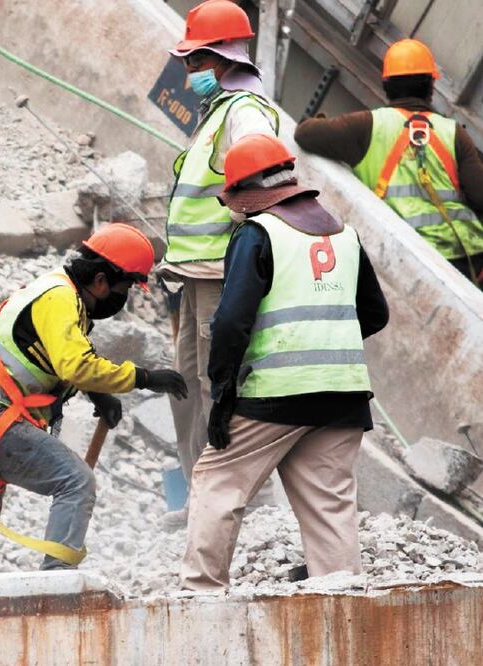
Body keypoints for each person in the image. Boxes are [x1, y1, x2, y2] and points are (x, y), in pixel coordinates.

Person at [180, 134, 389, 591]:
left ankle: (201, 594)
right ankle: (342, 601)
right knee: (328, 505)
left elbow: (232, 322)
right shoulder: (345, 234)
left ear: (249, 193)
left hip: (273, 396)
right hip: (344, 397)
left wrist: (222, 397)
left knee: (219, 481)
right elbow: (375, 314)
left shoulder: (258, 233)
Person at [0, 223, 189, 577]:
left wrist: (100, 394)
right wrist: (144, 377)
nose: (124, 295)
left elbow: (55, 358)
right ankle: (56, 583)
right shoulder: (60, 298)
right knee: (76, 481)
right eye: (125, 286)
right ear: (100, 280)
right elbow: (77, 365)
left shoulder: (53, 291)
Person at [160, 0, 281, 529]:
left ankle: (234, 502)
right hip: (193, 275)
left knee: (218, 387)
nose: (187, 73)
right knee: (187, 386)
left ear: (220, 57)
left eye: (193, 62)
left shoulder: (246, 113)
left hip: (220, 274)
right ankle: (200, 496)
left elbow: (262, 188)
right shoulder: (220, 111)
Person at [295, 38, 483, 287]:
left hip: (406, 257)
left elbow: (305, 134)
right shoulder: (453, 132)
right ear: (431, 86)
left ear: (386, 85)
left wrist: (321, 120)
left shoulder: (368, 126)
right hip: (466, 257)